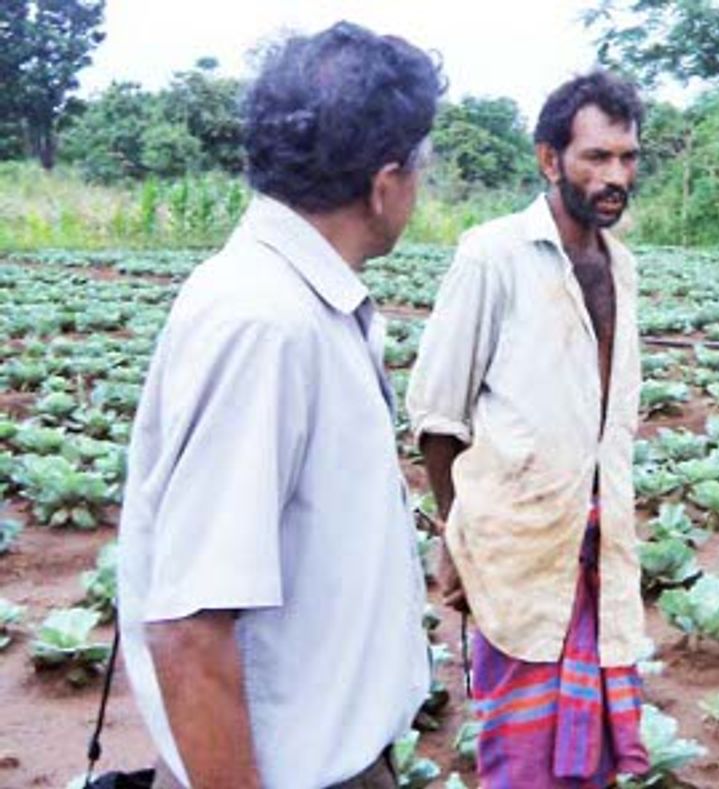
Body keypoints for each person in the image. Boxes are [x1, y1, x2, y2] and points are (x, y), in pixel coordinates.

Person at [116, 22, 444, 789]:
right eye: (421, 166)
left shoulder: (295, 301)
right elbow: (190, 628)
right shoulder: (265, 323)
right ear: (384, 183)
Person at [406, 71, 652, 786]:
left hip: (600, 546)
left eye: (627, 158)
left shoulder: (622, 266)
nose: (615, 176)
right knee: (519, 756)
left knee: (591, 755)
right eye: (596, 157)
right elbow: (439, 418)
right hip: (516, 546)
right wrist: (456, 536)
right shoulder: (494, 254)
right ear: (550, 159)